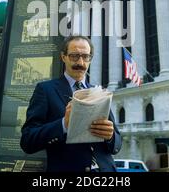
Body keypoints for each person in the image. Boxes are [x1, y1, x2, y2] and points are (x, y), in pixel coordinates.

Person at [20, 35, 122, 172]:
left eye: (85, 56)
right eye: (74, 56)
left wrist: (110, 137)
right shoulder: (45, 90)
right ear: (63, 57)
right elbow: (27, 141)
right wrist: (63, 124)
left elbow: (117, 144)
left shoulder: (100, 93)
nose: (80, 62)